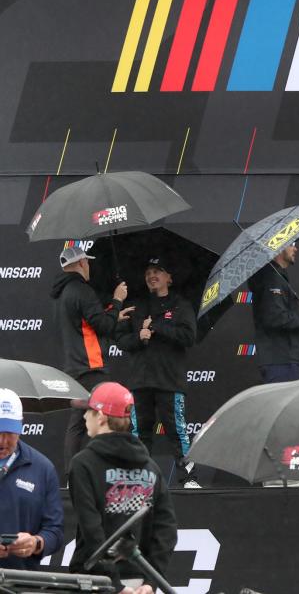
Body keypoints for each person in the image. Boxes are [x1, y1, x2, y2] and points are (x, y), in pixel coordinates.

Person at [67, 382, 177, 593]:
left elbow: (92, 531)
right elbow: (167, 530)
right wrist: (150, 582)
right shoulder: (150, 466)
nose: (83, 417)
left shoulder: (83, 464)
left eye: (88, 411)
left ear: (101, 417)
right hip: (138, 583)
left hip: (95, 582)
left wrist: (115, 585)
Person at [115, 258, 199, 488]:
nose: (152, 275)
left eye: (158, 271)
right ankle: (138, 480)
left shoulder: (181, 305)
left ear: (169, 278)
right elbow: (121, 340)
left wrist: (156, 327)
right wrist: (138, 337)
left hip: (169, 380)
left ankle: (188, 478)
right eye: (149, 272)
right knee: (138, 432)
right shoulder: (136, 306)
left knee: (177, 432)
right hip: (140, 380)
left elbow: (189, 337)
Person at [52, 245, 134, 467]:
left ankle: (73, 476)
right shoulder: (82, 290)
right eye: (87, 262)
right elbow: (103, 326)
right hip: (92, 368)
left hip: (74, 369)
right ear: (80, 263)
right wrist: (117, 300)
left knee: (78, 425)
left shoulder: (62, 294)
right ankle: (109, 471)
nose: (89, 266)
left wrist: (114, 315)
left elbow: (88, 324)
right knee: (111, 417)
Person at [0, 389, 63, 570]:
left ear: (21, 425)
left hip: (20, 581)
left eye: (10, 432)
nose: (2, 441)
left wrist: (36, 543)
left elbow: (55, 530)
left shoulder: (42, 468)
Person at [248, 242, 299, 383]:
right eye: (292, 244)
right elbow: (276, 317)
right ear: (279, 247)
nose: (296, 248)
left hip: (286, 359)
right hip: (279, 360)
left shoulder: (278, 276)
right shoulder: (271, 279)